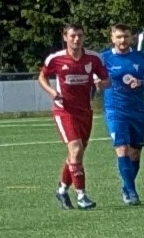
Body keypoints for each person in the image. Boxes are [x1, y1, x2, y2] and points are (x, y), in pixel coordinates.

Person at [37, 24, 105, 209]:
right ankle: (82, 197)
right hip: (64, 111)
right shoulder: (56, 59)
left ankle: (61, 190)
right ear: (65, 37)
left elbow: (106, 80)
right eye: (73, 36)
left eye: (80, 36)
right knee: (75, 150)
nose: (77, 39)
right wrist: (52, 92)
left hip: (85, 111)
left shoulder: (94, 58)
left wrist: (100, 83)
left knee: (76, 154)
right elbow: (42, 77)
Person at [101, 24, 144, 205]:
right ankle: (131, 192)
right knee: (122, 148)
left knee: (135, 154)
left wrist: (141, 82)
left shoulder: (141, 58)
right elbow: (97, 81)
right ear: (112, 38)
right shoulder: (104, 59)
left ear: (131, 38)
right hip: (115, 110)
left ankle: (127, 186)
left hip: (137, 110)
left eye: (125, 36)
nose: (122, 40)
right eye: (118, 37)